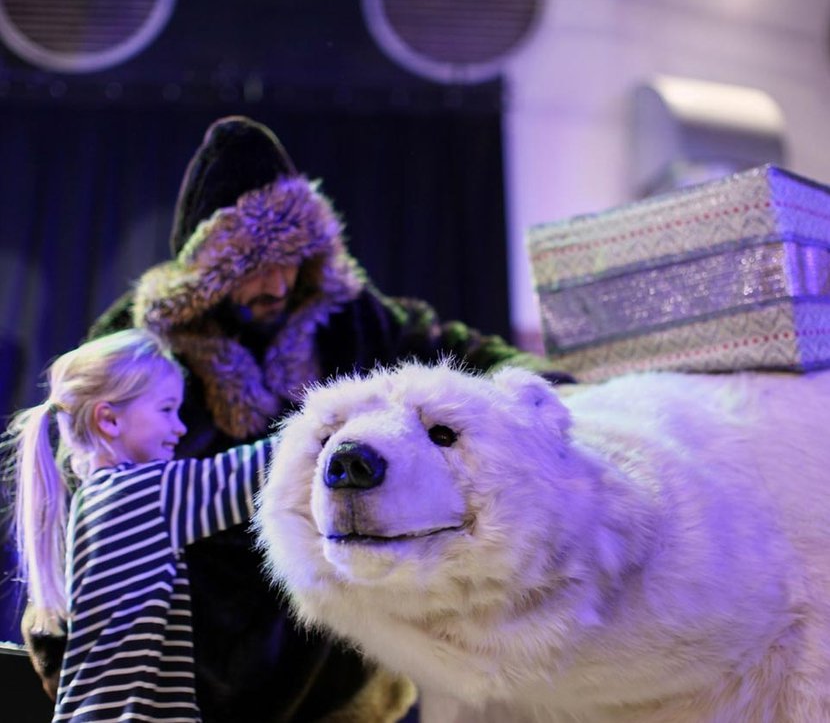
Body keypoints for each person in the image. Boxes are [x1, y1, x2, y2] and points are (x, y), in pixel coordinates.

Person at [23, 115, 573, 722]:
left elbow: (457, 349)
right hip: (187, 673)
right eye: (254, 263)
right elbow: (77, 484)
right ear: (207, 272)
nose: (279, 282)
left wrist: (560, 391)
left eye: (294, 259)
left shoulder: (352, 318)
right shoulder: (140, 344)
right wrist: (59, 624)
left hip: (331, 665)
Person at [6, 328, 278, 721]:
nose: (180, 428)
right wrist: (338, 421)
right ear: (109, 420)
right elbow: (262, 470)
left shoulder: (93, 499)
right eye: (167, 409)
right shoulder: (139, 494)